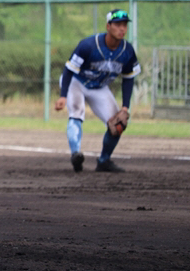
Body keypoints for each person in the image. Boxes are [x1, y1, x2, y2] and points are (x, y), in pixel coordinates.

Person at [54, 9, 141, 173]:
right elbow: (68, 70)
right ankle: (76, 155)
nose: (122, 28)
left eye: (124, 25)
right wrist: (63, 96)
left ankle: (104, 161)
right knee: (76, 113)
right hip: (76, 82)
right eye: (117, 25)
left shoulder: (127, 51)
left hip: (99, 88)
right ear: (108, 26)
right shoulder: (88, 45)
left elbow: (128, 78)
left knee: (118, 124)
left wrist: (125, 107)